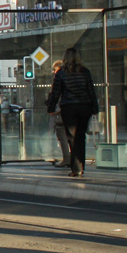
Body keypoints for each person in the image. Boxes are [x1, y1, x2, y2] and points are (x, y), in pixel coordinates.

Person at [46, 46, 98, 178]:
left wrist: (51, 107)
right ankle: (80, 165)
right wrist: (94, 107)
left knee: (72, 137)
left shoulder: (61, 73)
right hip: (84, 106)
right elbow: (91, 90)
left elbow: (56, 92)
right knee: (81, 137)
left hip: (69, 107)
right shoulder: (85, 72)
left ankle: (76, 168)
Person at [46, 60, 72, 167]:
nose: (53, 72)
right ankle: (76, 161)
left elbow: (56, 95)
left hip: (62, 112)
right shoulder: (72, 76)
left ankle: (67, 159)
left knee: (62, 135)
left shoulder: (60, 77)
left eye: (55, 69)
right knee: (72, 137)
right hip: (73, 111)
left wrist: (52, 109)